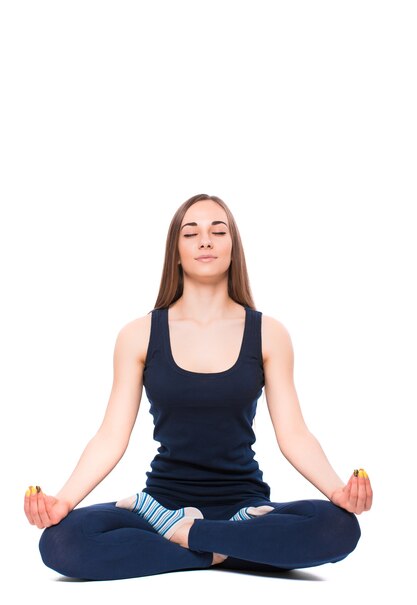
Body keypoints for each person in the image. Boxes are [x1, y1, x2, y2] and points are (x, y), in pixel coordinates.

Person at [24, 193, 373, 580]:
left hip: (245, 510)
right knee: (62, 541)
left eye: (217, 231)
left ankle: (196, 537)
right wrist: (64, 500)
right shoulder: (138, 335)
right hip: (159, 508)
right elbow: (110, 436)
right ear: (176, 251)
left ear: (232, 248)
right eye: (191, 234)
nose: (205, 240)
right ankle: (227, 548)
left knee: (338, 528)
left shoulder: (269, 334)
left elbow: (294, 434)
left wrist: (337, 490)